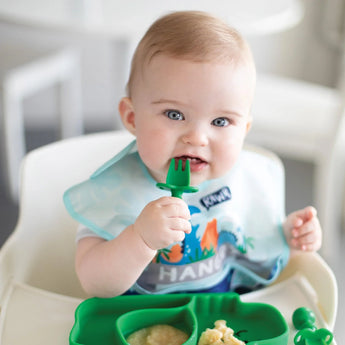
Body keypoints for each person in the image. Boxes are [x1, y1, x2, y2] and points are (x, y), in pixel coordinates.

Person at [63, 11, 322, 298]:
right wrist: (140, 239)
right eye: (174, 114)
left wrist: (289, 236)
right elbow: (95, 283)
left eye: (221, 122)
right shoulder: (113, 191)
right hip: (136, 323)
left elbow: (255, 239)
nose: (197, 138)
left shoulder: (244, 180)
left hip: (222, 319)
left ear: (244, 129)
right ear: (133, 118)